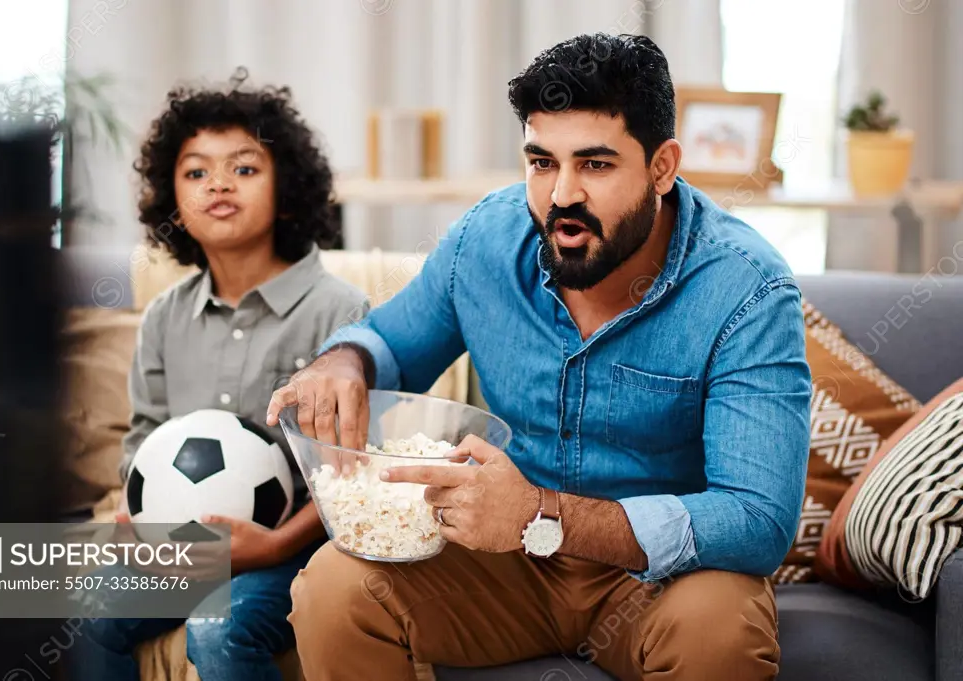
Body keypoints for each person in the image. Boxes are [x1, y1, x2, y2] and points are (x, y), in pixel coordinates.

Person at [266, 34, 811, 681]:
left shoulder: (747, 290)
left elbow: (757, 518)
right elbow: (391, 340)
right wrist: (345, 361)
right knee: (332, 588)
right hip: (505, 562)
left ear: (663, 167)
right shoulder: (485, 240)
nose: (562, 196)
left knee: (722, 630)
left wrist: (541, 512)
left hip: (660, 582)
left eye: (596, 165)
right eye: (542, 162)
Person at [74, 71, 368, 681]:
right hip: (186, 549)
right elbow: (145, 439)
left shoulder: (339, 313)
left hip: (300, 549)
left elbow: (357, 467)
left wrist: (278, 544)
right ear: (171, 196)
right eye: (196, 172)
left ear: (287, 188)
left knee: (219, 632)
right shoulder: (163, 318)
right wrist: (140, 514)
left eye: (244, 168)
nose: (218, 185)